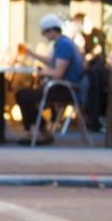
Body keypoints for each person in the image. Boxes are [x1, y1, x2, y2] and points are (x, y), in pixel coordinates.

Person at [16, 13, 85, 145]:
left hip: (66, 89)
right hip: (61, 86)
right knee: (24, 95)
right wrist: (32, 54)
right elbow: (52, 62)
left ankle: (39, 132)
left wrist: (42, 73)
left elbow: (58, 73)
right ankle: (41, 131)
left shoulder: (64, 45)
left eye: (45, 32)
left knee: (23, 95)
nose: (44, 35)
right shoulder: (61, 43)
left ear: (53, 30)